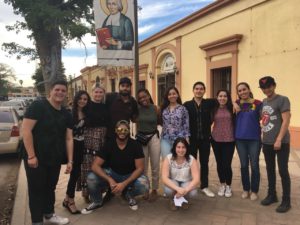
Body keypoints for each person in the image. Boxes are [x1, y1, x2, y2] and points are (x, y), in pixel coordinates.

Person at [22, 80, 73, 225]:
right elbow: (26, 131)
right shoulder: (38, 106)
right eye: (57, 89)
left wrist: (70, 160)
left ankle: (49, 214)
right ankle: (37, 221)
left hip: (54, 157)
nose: (60, 93)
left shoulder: (66, 113)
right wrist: (31, 155)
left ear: (66, 93)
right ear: (50, 91)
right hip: (36, 157)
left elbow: (69, 138)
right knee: (37, 189)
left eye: (63, 90)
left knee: (50, 187)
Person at [81, 120, 149, 214]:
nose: (122, 132)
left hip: (129, 175)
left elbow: (140, 168)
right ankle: (97, 201)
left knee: (144, 184)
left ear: (129, 131)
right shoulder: (109, 144)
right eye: (120, 129)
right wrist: (109, 179)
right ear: (115, 130)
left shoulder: (135, 145)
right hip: (112, 173)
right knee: (91, 177)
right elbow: (95, 166)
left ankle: (128, 194)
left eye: (125, 130)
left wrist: (124, 184)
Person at [259, 76, 291, 213]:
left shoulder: (283, 99)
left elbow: (286, 120)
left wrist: (278, 139)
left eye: (269, 86)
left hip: (281, 142)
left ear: (274, 85)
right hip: (266, 141)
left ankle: (286, 200)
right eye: (264, 88)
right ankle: (272, 195)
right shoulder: (264, 101)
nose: (267, 89)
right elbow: (265, 119)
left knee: (283, 171)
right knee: (270, 170)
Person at [183, 82, 216, 198]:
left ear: (204, 91)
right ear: (193, 90)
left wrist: (235, 104)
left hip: (205, 139)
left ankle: (204, 186)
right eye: (197, 89)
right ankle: (191, 184)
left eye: (201, 89)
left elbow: (223, 101)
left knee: (205, 163)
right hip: (192, 140)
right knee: (191, 163)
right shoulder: (187, 105)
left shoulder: (209, 103)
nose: (199, 91)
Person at [63, 91, 91, 214]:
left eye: (85, 99)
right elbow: (67, 136)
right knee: (74, 173)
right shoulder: (70, 113)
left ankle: (66, 199)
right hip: (72, 145)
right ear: (76, 99)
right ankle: (71, 201)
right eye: (80, 98)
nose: (83, 101)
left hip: (81, 145)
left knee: (76, 173)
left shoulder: (86, 112)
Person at [80, 84, 109, 201]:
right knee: (87, 165)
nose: (98, 94)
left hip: (102, 137)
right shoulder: (87, 105)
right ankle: (86, 193)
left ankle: (100, 191)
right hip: (89, 138)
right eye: (96, 92)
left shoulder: (106, 106)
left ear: (103, 94)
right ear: (92, 93)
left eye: (101, 92)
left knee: (101, 164)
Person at [235, 82, 262, 201]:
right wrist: (233, 103)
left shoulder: (258, 103)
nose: (242, 92)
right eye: (239, 91)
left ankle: (254, 190)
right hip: (240, 139)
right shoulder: (236, 104)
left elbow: (264, 118)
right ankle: (246, 189)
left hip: (254, 139)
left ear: (248, 89)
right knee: (244, 165)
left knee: (255, 165)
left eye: (244, 89)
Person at [161, 137, 200, 210]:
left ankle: (185, 200)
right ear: (174, 148)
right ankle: (173, 200)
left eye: (183, 147)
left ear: (186, 148)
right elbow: (164, 178)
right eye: (178, 147)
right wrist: (178, 189)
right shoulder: (168, 158)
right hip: (174, 181)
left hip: (186, 182)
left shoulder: (191, 159)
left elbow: (196, 179)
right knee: (168, 191)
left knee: (193, 193)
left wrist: (185, 190)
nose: (181, 150)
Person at [136, 88, 160, 201]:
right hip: (141, 139)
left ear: (149, 96)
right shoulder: (137, 109)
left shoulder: (155, 108)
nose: (143, 99)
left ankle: (154, 189)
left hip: (154, 138)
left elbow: (161, 122)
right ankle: (145, 188)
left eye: (144, 96)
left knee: (155, 165)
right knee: (143, 166)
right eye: (140, 98)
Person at [211, 90, 235, 198]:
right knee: (219, 164)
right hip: (216, 140)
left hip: (229, 140)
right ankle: (222, 184)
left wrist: (234, 103)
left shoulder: (232, 108)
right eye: (220, 96)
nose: (222, 98)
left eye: (225, 96)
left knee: (227, 164)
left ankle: (228, 185)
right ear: (217, 97)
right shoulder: (214, 108)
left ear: (228, 97)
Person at [160, 86, 190, 159]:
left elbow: (186, 125)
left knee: (178, 160)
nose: (172, 96)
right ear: (167, 96)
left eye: (174, 93)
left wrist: (187, 139)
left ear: (177, 95)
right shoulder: (164, 109)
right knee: (166, 160)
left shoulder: (183, 109)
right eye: (169, 94)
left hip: (179, 139)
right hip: (165, 139)